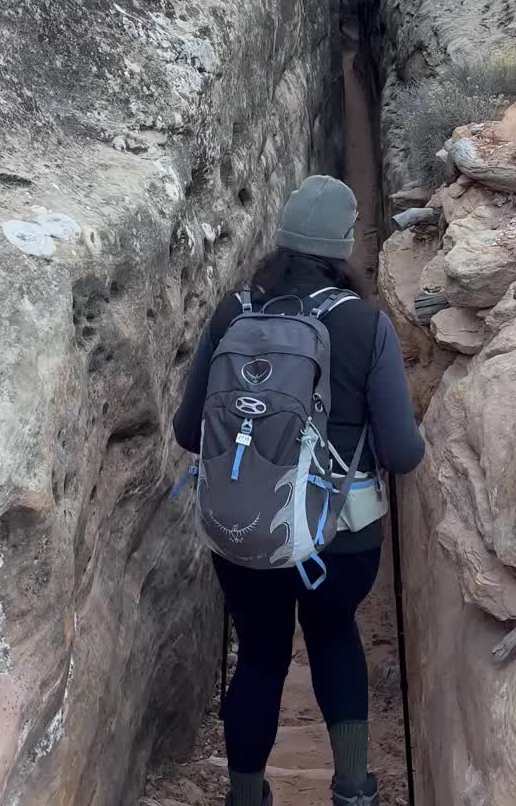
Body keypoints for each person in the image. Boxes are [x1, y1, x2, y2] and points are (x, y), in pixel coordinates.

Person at [174, 175, 425, 806]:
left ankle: (245, 795)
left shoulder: (236, 312)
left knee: (260, 658)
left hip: (246, 529)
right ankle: (353, 788)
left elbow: (186, 431)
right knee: (335, 635)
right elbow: (401, 452)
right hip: (339, 544)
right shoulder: (368, 328)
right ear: (344, 246)